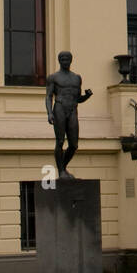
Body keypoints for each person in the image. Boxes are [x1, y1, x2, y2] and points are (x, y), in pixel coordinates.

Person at [45, 51, 93, 179]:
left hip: (72, 109)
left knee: (73, 145)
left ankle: (63, 167)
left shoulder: (77, 78)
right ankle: (61, 171)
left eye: (67, 59)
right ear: (59, 61)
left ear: (71, 60)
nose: (65, 61)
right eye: (62, 59)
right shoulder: (53, 77)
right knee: (60, 141)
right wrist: (49, 113)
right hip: (59, 108)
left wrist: (87, 96)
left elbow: (78, 99)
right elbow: (49, 96)